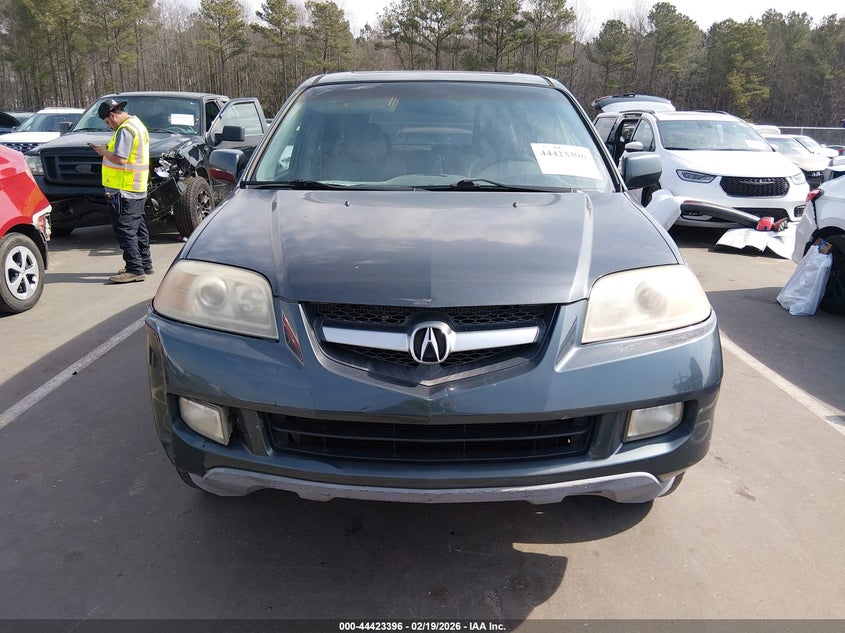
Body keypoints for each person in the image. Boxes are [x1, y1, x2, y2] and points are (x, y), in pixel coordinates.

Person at [89, 98, 153, 283]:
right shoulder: (136, 124)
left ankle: (134, 269)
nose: (109, 126)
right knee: (138, 227)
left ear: (112, 115)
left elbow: (120, 159)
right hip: (136, 187)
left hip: (125, 189)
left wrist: (102, 151)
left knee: (125, 229)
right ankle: (144, 263)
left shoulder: (125, 129)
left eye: (108, 122)